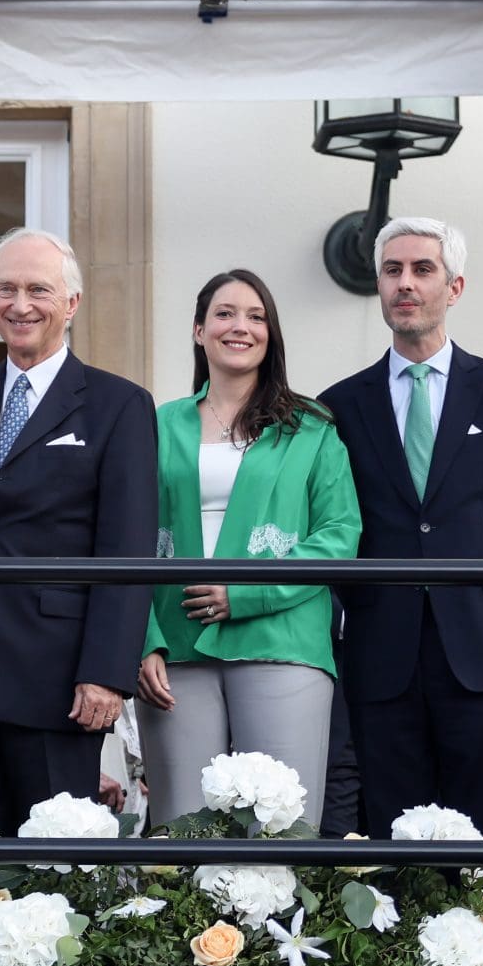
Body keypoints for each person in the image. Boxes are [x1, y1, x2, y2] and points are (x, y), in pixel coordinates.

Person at [320, 216, 483, 838]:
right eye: (392, 270)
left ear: (454, 288)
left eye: (422, 269)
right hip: (383, 654)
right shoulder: (341, 404)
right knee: (395, 842)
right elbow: (337, 526)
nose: (405, 283)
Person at [0, 227, 156, 833]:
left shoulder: (118, 405)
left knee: (54, 860)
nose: (20, 304)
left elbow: (128, 548)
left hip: (57, 677)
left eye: (38, 289)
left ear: (72, 303)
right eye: (6, 289)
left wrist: (106, 672)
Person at [134, 269, 358, 829]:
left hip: (282, 642)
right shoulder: (157, 425)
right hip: (175, 645)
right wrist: (142, 639)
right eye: (225, 314)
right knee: (181, 831)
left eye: (256, 317)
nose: (241, 326)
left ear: (270, 334)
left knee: (280, 827)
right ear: (198, 330)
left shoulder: (312, 429)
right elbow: (125, 536)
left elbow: (339, 535)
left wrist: (245, 592)